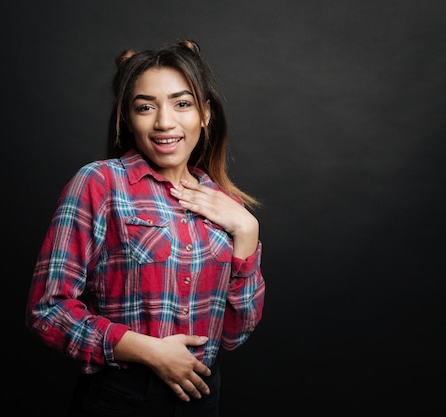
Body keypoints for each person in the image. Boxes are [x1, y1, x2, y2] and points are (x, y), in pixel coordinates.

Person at [25, 39, 266, 417]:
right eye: (145, 107)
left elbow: (234, 336)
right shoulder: (100, 184)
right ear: (127, 118)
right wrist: (150, 351)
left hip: (202, 399)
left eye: (182, 103)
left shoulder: (224, 205)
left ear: (205, 114)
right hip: (121, 398)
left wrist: (247, 232)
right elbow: (47, 311)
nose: (164, 122)